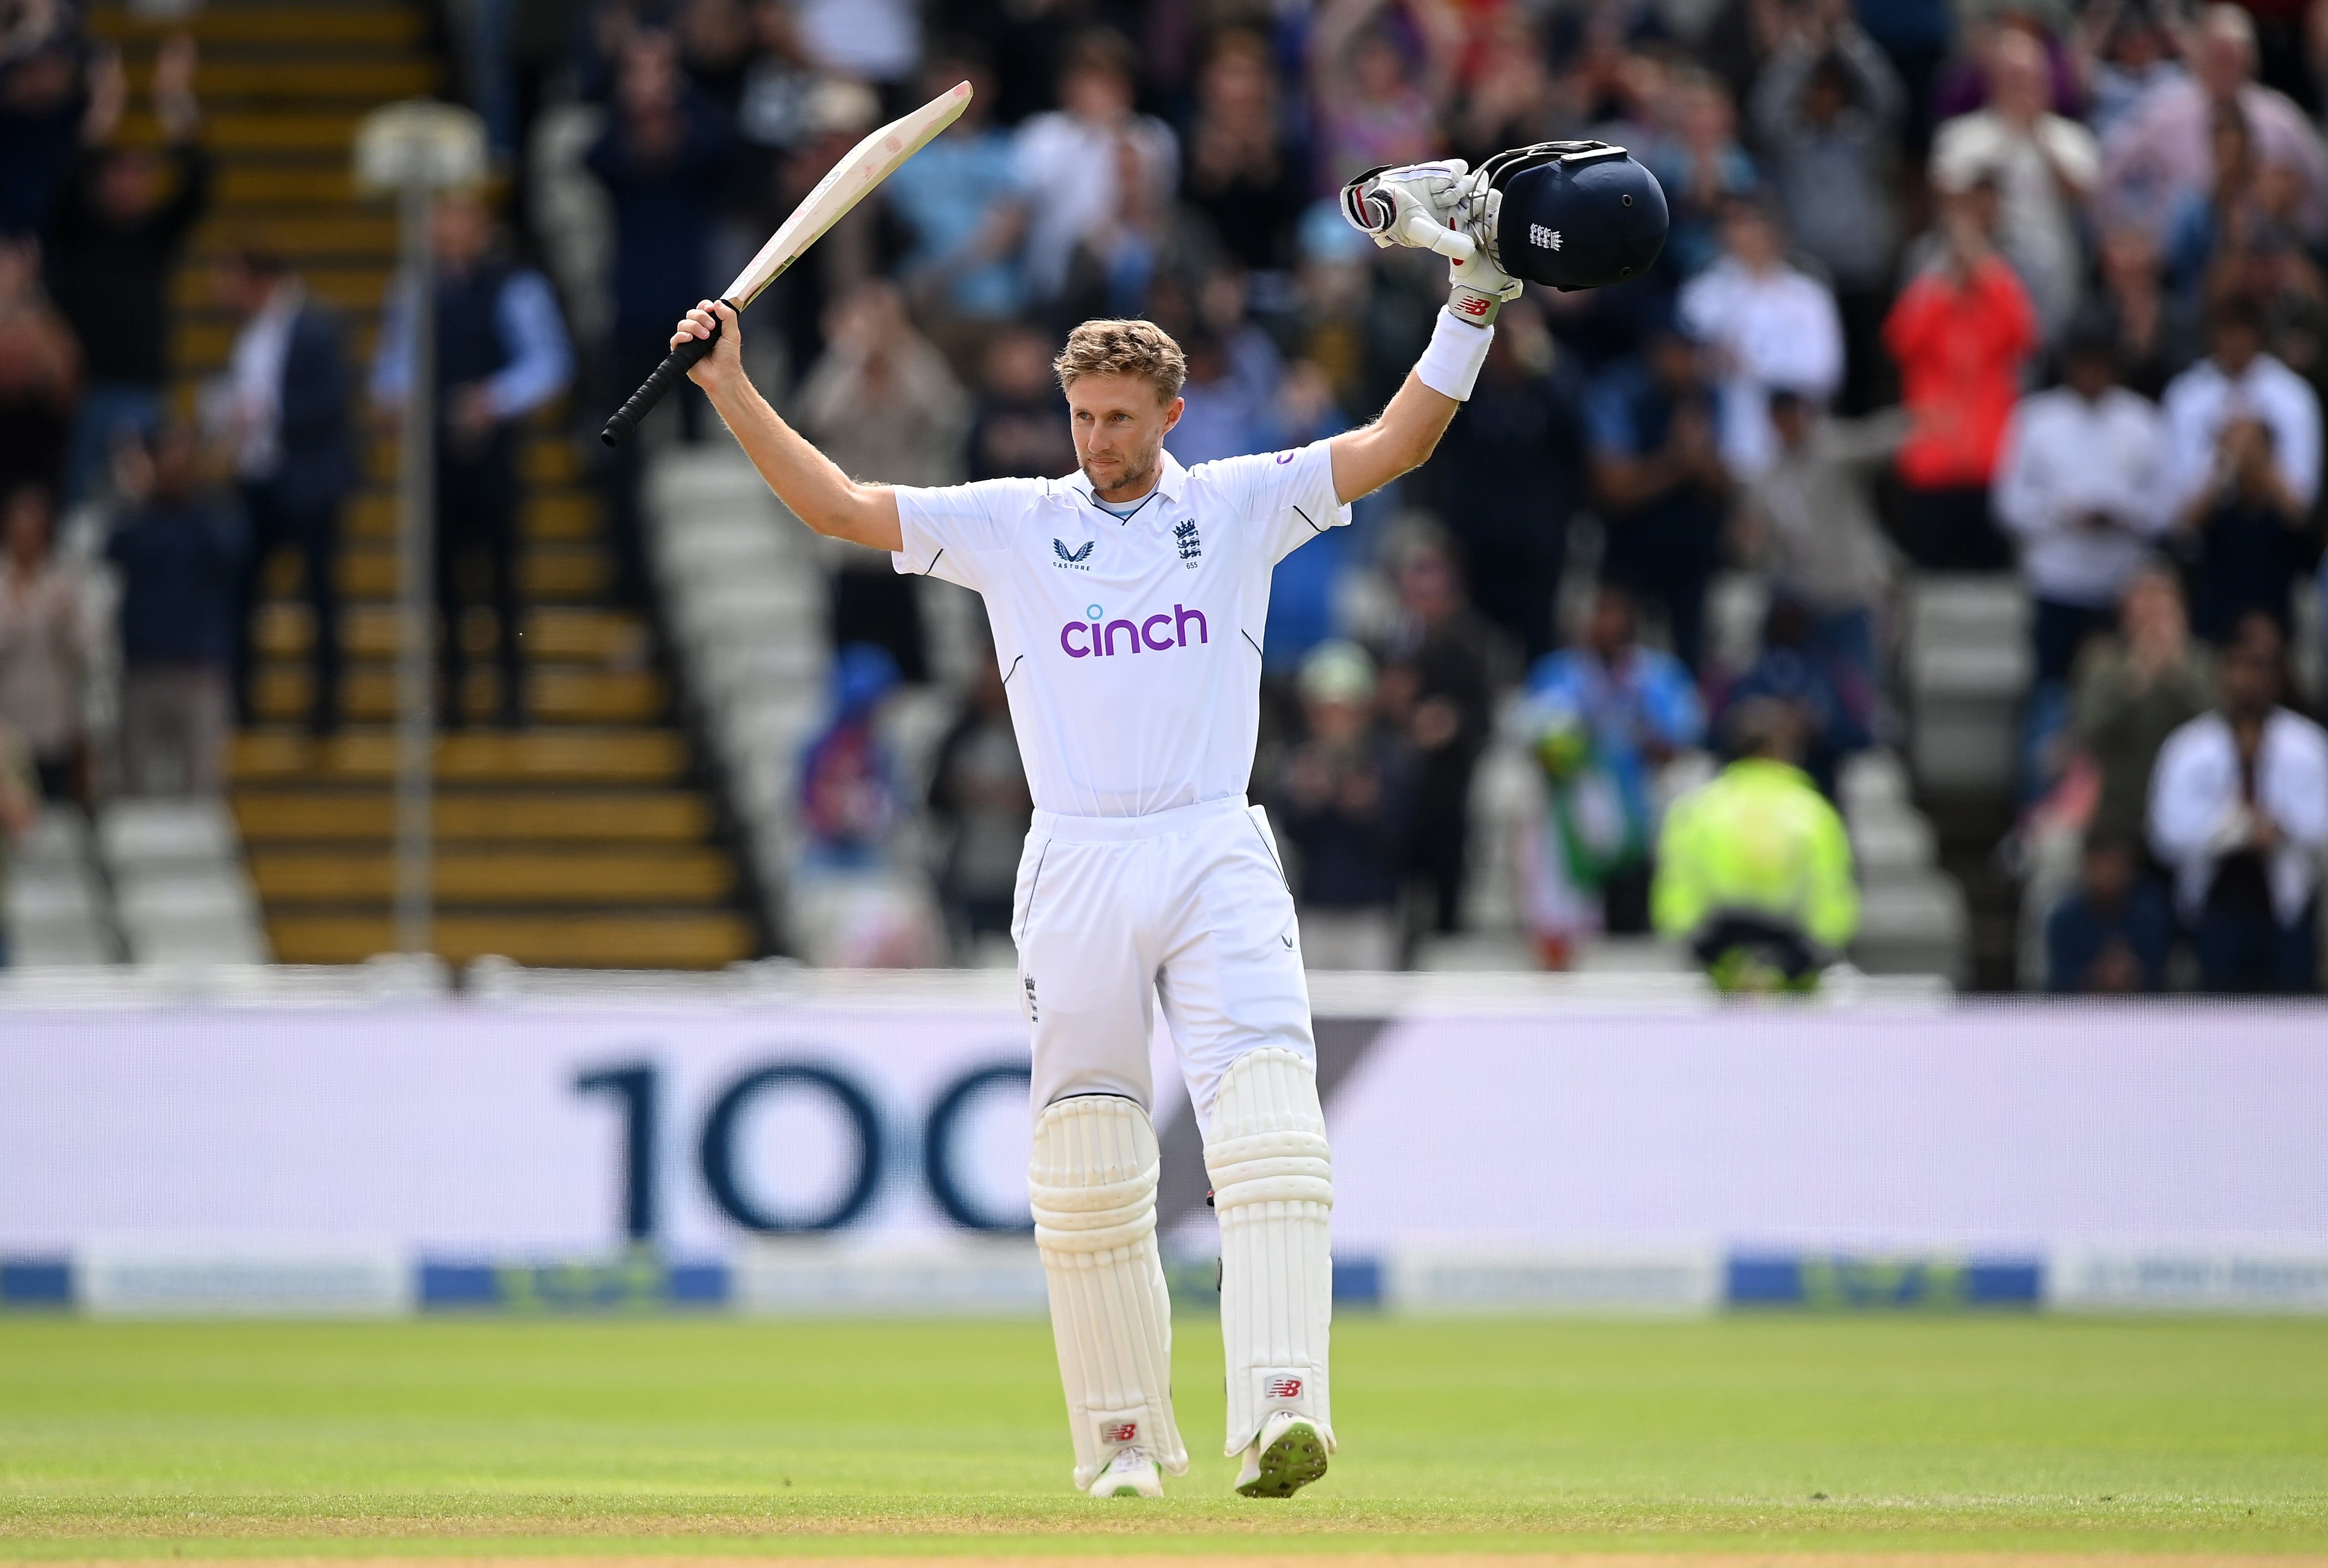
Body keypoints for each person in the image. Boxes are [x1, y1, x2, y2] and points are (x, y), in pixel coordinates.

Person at [661, 140, 1549, 1496]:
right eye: (1083, 417)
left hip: (1211, 841)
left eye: (1121, 418)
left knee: (1266, 1127)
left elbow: (1396, 441)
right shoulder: (1017, 521)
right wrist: (731, 385)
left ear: (1170, 413)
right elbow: (836, 506)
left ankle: (1282, 1410)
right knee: (1082, 1156)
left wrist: (1467, 310)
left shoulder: (1242, 503)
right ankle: (1122, 1440)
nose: (1098, 441)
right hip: (1073, 854)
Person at [370, 191, 573, 729]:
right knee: (442, 578)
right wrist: (392, 397)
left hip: (494, 454)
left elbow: (549, 362)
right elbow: (395, 360)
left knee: (503, 575)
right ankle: (451, 692)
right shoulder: (416, 287)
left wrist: (495, 399)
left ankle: (511, 693)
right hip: (434, 454)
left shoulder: (514, 284)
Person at [44, 32, 207, 505]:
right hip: (87, 395)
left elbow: (199, 181)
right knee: (83, 511)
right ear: (104, 181)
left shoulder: (152, 238)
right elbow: (69, 177)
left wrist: (174, 99)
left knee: (145, 509)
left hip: (143, 391)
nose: (132, 186)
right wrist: (102, 112)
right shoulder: (78, 229)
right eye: (122, 174)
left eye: (141, 176)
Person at [209, 247, 355, 736]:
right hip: (260, 481)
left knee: (320, 595)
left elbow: (331, 401)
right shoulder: (248, 333)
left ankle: (326, 706)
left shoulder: (318, 325)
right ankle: (243, 698)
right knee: (241, 589)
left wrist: (266, 412)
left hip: (309, 483)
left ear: (257, 278)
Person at [794, 281, 971, 682]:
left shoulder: (915, 370)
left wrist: (902, 343)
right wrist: (852, 351)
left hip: (902, 534)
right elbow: (817, 415)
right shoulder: (842, 373)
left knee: (913, 661)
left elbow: (947, 412)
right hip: (850, 544)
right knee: (846, 654)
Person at [2148, 619, 2327, 993]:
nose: (2249, 679)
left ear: (2277, 678)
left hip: (2287, 902)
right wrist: (2237, 830)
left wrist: (2281, 829)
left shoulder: (2308, 746)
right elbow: (2165, 833)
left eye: (2259, 668)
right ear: (2222, 675)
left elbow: (2321, 823)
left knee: (2290, 1012)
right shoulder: (2187, 749)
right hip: (2215, 902)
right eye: (2239, 667)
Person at [1993, 319, 2172, 687]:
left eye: (2101, 365)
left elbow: (2166, 508)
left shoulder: (2142, 421)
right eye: (2084, 365)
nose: (2093, 375)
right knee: (2052, 688)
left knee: (2121, 688)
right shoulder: (2036, 419)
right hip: (2056, 584)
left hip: (2121, 589)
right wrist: (2063, 515)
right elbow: (2008, 505)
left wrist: (2124, 516)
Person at [1522, 585, 1705, 940]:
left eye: (1616, 621)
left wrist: (1644, 730)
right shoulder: (1557, 673)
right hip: (1576, 806)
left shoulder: (1656, 674)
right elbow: (1536, 739)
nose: (1607, 629)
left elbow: (1683, 737)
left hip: (1642, 799)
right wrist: (1575, 741)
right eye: (1598, 619)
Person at [1749, 9, 1906, 412]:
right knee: (1815, 366)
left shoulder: (1862, 138)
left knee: (1867, 366)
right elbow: (1763, 111)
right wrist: (1801, 52)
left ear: (1841, 95)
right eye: (1814, 91)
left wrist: (1848, 42)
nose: (1822, 99)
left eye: (1829, 90)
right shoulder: (1791, 143)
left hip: (1863, 270)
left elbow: (1890, 101)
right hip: (1810, 270)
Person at [1653, 697, 1857, 992]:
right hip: (1794, 964)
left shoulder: (1694, 812)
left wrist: (1710, 959)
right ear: (1781, 751)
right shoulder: (1815, 813)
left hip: (1717, 966)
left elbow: (1676, 905)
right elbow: (1833, 905)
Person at [1884, 189, 2040, 571]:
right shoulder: (1932, 301)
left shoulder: (1996, 299)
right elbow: (1899, 341)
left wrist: (1990, 271)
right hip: (1934, 457)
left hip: (1989, 459)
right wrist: (1940, 284)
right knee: (1933, 568)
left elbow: (2025, 337)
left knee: (1987, 572)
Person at [1429, 296, 1584, 663]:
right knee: (1475, 649)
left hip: (1537, 552)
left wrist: (1541, 360)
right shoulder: (1472, 397)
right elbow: (1441, 455)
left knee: (1539, 646)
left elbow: (1575, 436)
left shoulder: (1549, 396)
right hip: (1477, 549)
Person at [2161, 296, 2321, 638]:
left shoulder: (2292, 396)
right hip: (2211, 553)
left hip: (2276, 549)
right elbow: (2180, 519)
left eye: (2243, 333)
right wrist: (2225, 463)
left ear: (2259, 336)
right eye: (2226, 333)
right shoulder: (2187, 395)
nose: (2235, 343)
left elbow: (2301, 508)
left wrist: (2258, 460)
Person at [1929, 28, 2101, 339]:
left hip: (2052, 268)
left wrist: (2036, 134)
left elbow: (2085, 197)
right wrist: (2007, 136)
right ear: (1994, 79)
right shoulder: (1961, 136)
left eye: (2029, 77)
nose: (2022, 86)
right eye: (2013, 77)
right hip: (1983, 269)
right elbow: (1948, 195)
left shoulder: (2070, 137)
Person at [2101, 4, 2328, 239]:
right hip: (2175, 256)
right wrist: (2131, 237)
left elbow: (2320, 186)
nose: (2229, 64)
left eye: (2237, 54)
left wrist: (2302, 236)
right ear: (2201, 55)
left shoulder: (2282, 118)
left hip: (2265, 248)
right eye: (2221, 55)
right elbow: (2111, 172)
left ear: (2253, 58)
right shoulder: (2161, 113)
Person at [105, 424, 243, 796]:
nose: (175, 468)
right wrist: (135, 493)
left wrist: (218, 487)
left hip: (199, 668)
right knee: (135, 787)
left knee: (201, 787)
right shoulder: (140, 518)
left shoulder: (213, 515)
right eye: (167, 459)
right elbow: (113, 549)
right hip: (143, 668)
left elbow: (230, 554)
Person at [1374, 539, 1500, 940]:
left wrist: (1450, 723)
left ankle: (1448, 936)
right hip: (1396, 785)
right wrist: (1392, 703)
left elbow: (1486, 716)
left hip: (1449, 782)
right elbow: (1370, 709)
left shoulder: (1472, 644)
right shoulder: (1391, 641)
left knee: (1448, 867)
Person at [1587, 322, 1731, 673]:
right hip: (1630, 550)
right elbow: (1615, 488)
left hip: (1690, 554)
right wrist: (1679, 461)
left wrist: (1696, 462)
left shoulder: (1707, 395)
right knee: (1618, 657)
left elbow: (1725, 483)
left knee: (1691, 660)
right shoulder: (1621, 392)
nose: (1685, 363)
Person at [1741, 389, 1902, 699]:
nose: (1792, 425)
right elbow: (1758, 551)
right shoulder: (1766, 480)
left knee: (1858, 689)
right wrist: (1750, 543)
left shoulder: (1833, 452)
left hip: (1849, 594)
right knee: (1810, 692)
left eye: (1796, 415)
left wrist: (1917, 421)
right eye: (1783, 418)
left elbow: (1875, 441)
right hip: (1802, 607)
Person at [1677, 195, 1844, 481]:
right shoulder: (1703, 294)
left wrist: (1751, 364)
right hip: (1727, 454)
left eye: (1755, 225)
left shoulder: (1808, 297)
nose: (1747, 235)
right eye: (1736, 224)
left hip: (1796, 448)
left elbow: (1825, 372)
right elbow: (1684, 364)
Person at [1012, 31, 1177, 309]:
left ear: (1127, 87)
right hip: (1051, 293)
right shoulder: (1042, 136)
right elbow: (1018, 212)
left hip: (1131, 288)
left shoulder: (1154, 138)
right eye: (1086, 79)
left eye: (1107, 80)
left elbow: (1155, 212)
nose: (1095, 91)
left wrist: (1117, 136)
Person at [1273, 640, 1410, 971]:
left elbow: (1405, 837)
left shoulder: (1389, 758)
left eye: (1344, 710)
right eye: (1324, 711)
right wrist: (1305, 802)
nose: (1334, 722)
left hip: (1372, 914)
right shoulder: (1299, 760)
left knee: (1371, 1015)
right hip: (1313, 912)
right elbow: (1285, 836)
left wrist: (1369, 807)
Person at [2074, 564, 2216, 849]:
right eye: (2145, 602)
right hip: (2120, 808)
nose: (2153, 614)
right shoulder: (2102, 662)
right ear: (2125, 611)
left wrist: (2178, 675)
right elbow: (2093, 732)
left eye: (2163, 602)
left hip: (2194, 807)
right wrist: (2136, 681)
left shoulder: (2202, 661)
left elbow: (2217, 727)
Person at [927, 647, 1032, 953]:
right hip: (971, 870)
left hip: (1021, 868)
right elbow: (935, 798)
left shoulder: (1030, 734)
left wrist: (1017, 796)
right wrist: (964, 790)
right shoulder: (960, 736)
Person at [1715, 598, 1872, 802]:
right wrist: (1757, 723)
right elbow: (1714, 736)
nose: (1787, 627)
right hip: (1748, 799)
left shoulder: (1832, 675)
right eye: (1781, 620)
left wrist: (1816, 725)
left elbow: (1862, 736)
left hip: (1815, 793)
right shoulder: (1743, 678)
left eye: (1794, 620)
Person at [0, 484, 83, 800]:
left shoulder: (64, 581)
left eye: (33, 528)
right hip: (7, 728)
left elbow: (87, 649)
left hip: (54, 726)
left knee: (55, 821)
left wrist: (66, 621)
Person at [2044, 830, 2173, 993]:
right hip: (2079, 1014)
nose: (2109, 873)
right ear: (2087, 865)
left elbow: (2160, 979)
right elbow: (2059, 983)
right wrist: (2095, 978)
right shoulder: (2063, 919)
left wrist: (2131, 975)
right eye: (2101, 864)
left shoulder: (2151, 915)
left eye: (2117, 865)